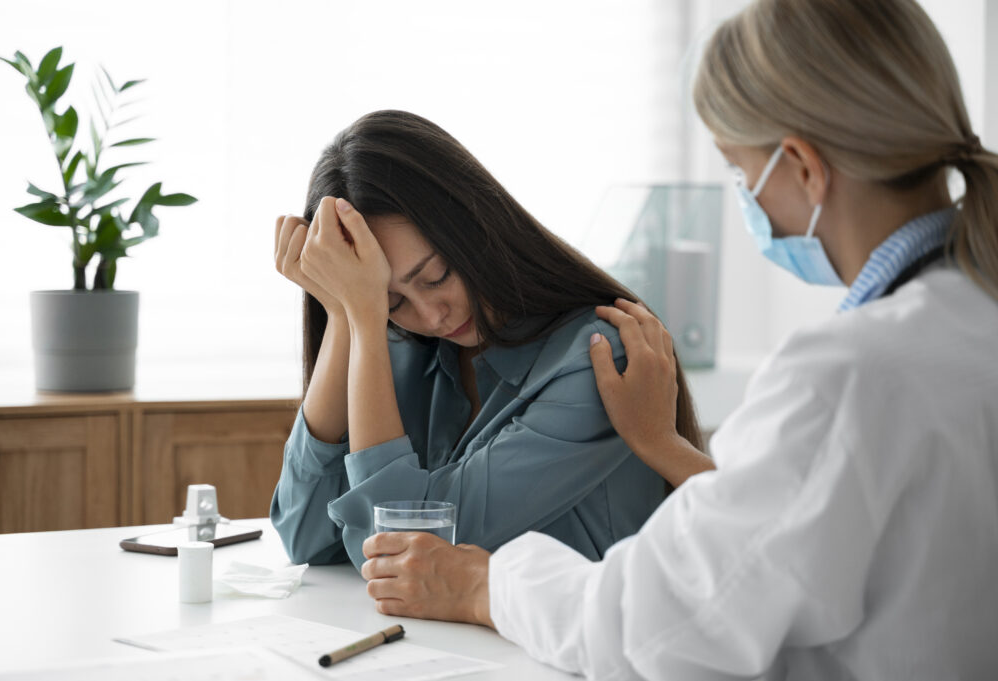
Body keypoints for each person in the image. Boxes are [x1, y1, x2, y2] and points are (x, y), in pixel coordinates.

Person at [359, 1, 998, 678]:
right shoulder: (963, 318)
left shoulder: (848, 373)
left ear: (804, 167)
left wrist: (483, 584)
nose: (746, 199)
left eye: (739, 173)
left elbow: (655, 626)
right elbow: (797, 530)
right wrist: (665, 447)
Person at [269, 110, 710, 570]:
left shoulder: (598, 359)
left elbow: (402, 553)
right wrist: (344, 313)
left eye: (436, 276)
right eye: (391, 301)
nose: (431, 315)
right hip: (449, 640)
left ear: (474, 228)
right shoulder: (401, 351)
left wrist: (364, 316)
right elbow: (304, 537)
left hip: (574, 640)